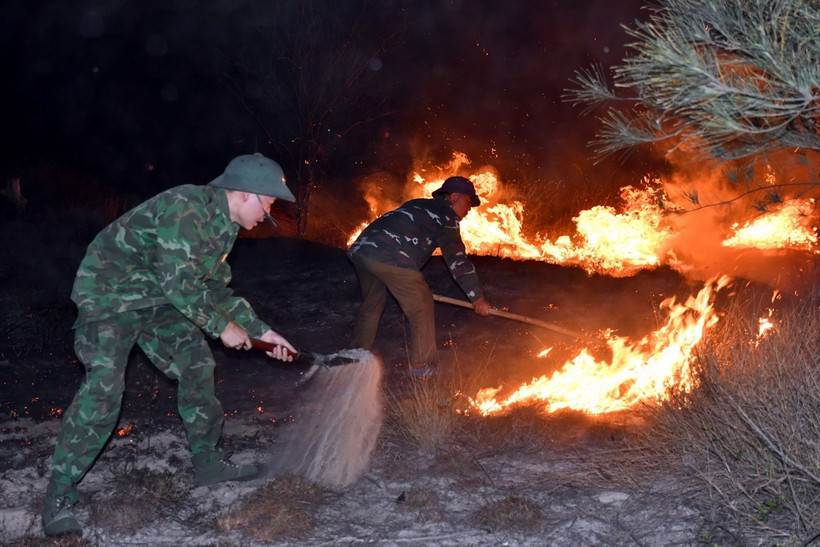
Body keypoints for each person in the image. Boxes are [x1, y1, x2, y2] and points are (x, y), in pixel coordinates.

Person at [42, 153, 298, 538]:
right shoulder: (186, 206)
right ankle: (59, 493)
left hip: (159, 299)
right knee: (105, 387)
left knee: (198, 366)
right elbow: (180, 284)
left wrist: (263, 332)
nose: (269, 214)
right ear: (246, 193)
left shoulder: (224, 228)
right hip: (110, 295)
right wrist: (221, 326)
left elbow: (213, 291)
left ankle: (208, 464)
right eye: (269, 204)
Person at [348, 176, 491, 377]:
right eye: (468, 202)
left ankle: (354, 355)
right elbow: (457, 260)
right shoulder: (446, 216)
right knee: (421, 304)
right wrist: (477, 298)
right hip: (392, 256)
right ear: (454, 197)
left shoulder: (418, 204)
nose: (469, 209)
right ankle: (422, 365)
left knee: (373, 303)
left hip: (362, 251)